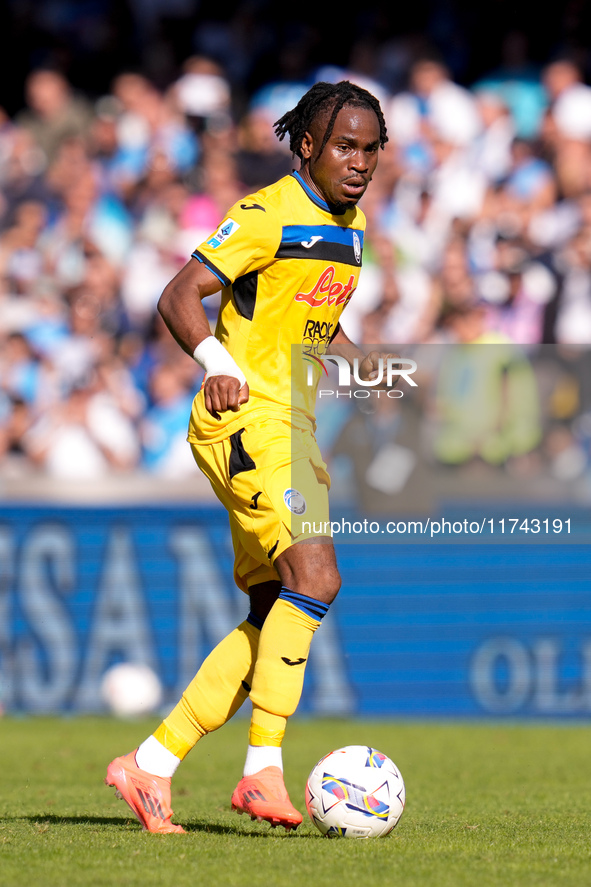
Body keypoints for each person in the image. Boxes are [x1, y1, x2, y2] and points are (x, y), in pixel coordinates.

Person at [105, 80, 389, 834]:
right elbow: (177, 295)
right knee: (317, 574)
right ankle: (262, 770)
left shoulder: (349, 227)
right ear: (306, 146)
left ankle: (150, 764)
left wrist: (376, 377)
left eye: (369, 149)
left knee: (273, 611)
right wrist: (213, 361)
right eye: (343, 146)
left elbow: (312, 328)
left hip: (291, 424)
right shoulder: (267, 214)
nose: (358, 162)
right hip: (245, 416)